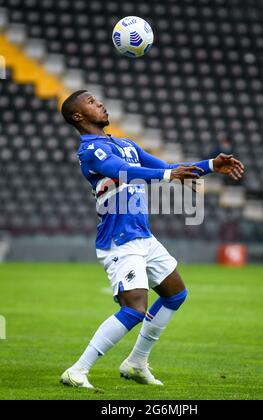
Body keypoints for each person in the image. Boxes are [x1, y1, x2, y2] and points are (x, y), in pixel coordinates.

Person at [60, 90, 244, 388]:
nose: (100, 103)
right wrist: (170, 177)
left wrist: (210, 165)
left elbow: (164, 168)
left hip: (143, 237)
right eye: (92, 102)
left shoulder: (125, 144)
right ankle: (78, 370)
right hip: (120, 240)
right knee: (134, 307)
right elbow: (124, 172)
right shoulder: (90, 150)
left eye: (98, 99)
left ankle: (136, 362)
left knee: (175, 294)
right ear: (78, 116)